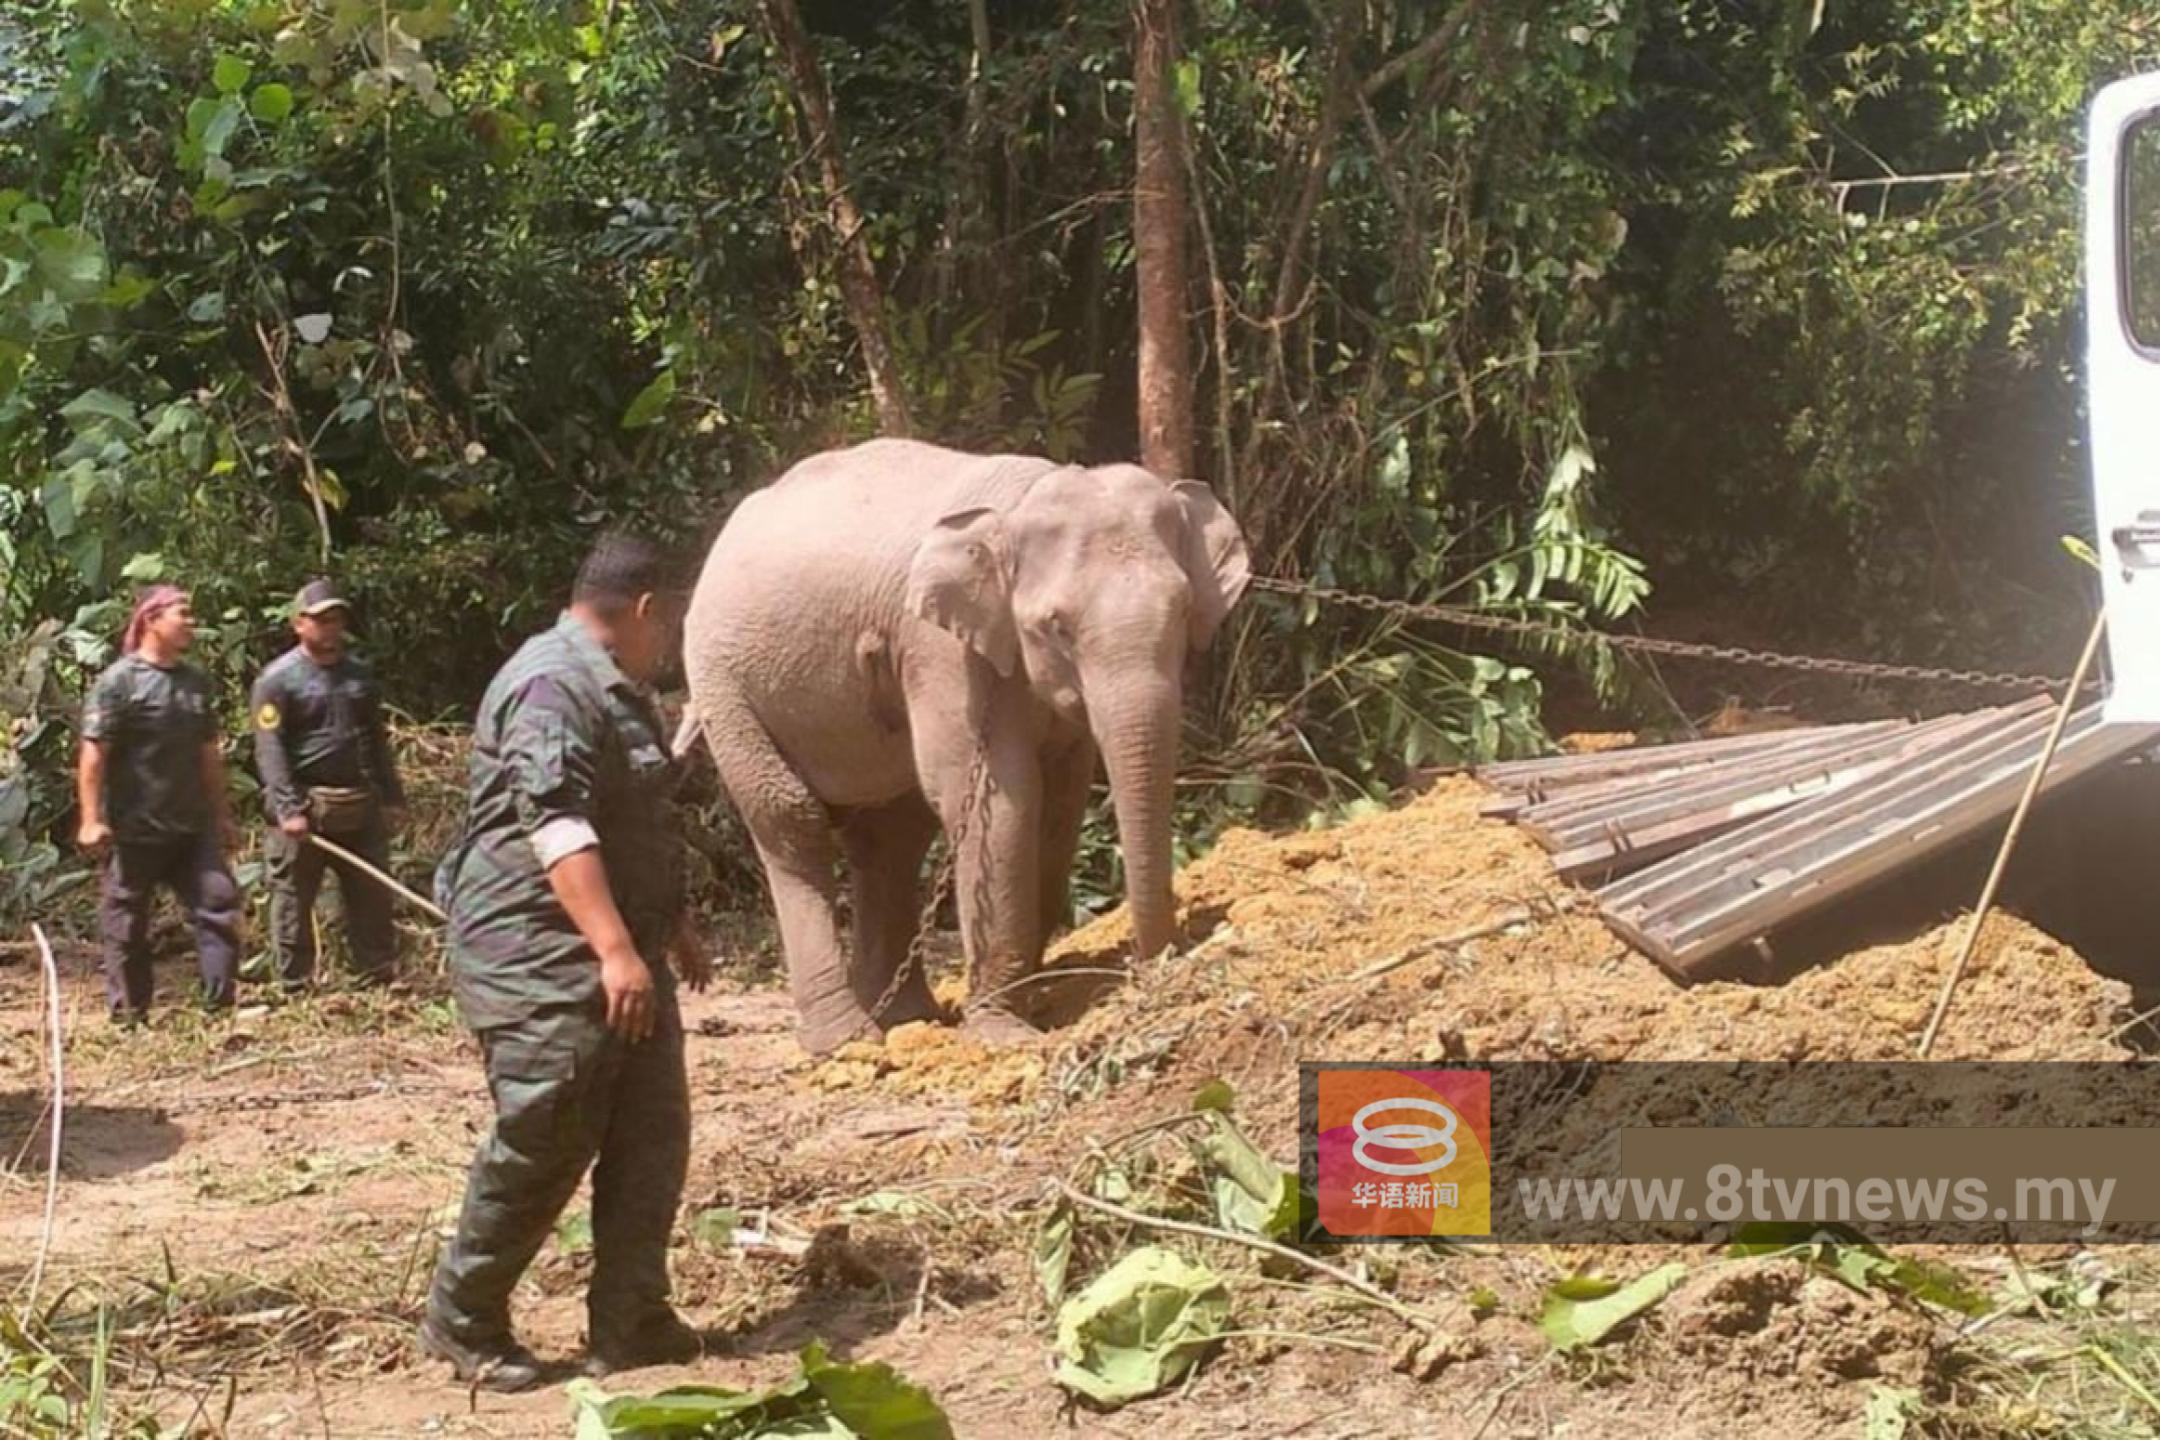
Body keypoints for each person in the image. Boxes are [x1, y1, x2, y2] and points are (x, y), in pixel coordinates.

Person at [421, 533, 711, 1392]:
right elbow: (558, 825)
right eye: (671, 625)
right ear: (647, 609)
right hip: (536, 949)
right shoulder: (551, 682)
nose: (670, 643)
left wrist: (671, 924)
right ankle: (462, 1316)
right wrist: (618, 950)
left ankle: (632, 1318)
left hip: (609, 945)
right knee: (548, 1124)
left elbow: (628, 821)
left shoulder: (618, 688)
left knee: (650, 1129)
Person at [76, 585, 242, 1023]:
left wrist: (222, 816)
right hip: (136, 828)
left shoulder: (195, 683)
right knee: (127, 923)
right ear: (151, 620)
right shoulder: (119, 682)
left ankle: (217, 1009)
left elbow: (209, 755)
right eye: (182, 613)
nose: (190, 622)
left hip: (191, 826)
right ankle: (130, 1015)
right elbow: (94, 756)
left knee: (219, 905)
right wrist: (91, 819)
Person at [250, 578, 408, 991]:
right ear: (299, 625)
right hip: (307, 804)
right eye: (320, 620)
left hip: (358, 801)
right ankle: (294, 985)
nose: (330, 628)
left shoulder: (359, 677)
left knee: (371, 894)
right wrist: (288, 808)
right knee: (292, 900)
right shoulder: (277, 681)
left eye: (336, 619)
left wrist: (391, 796)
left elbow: (376, 740)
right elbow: (270, 748)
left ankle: (376, 976)